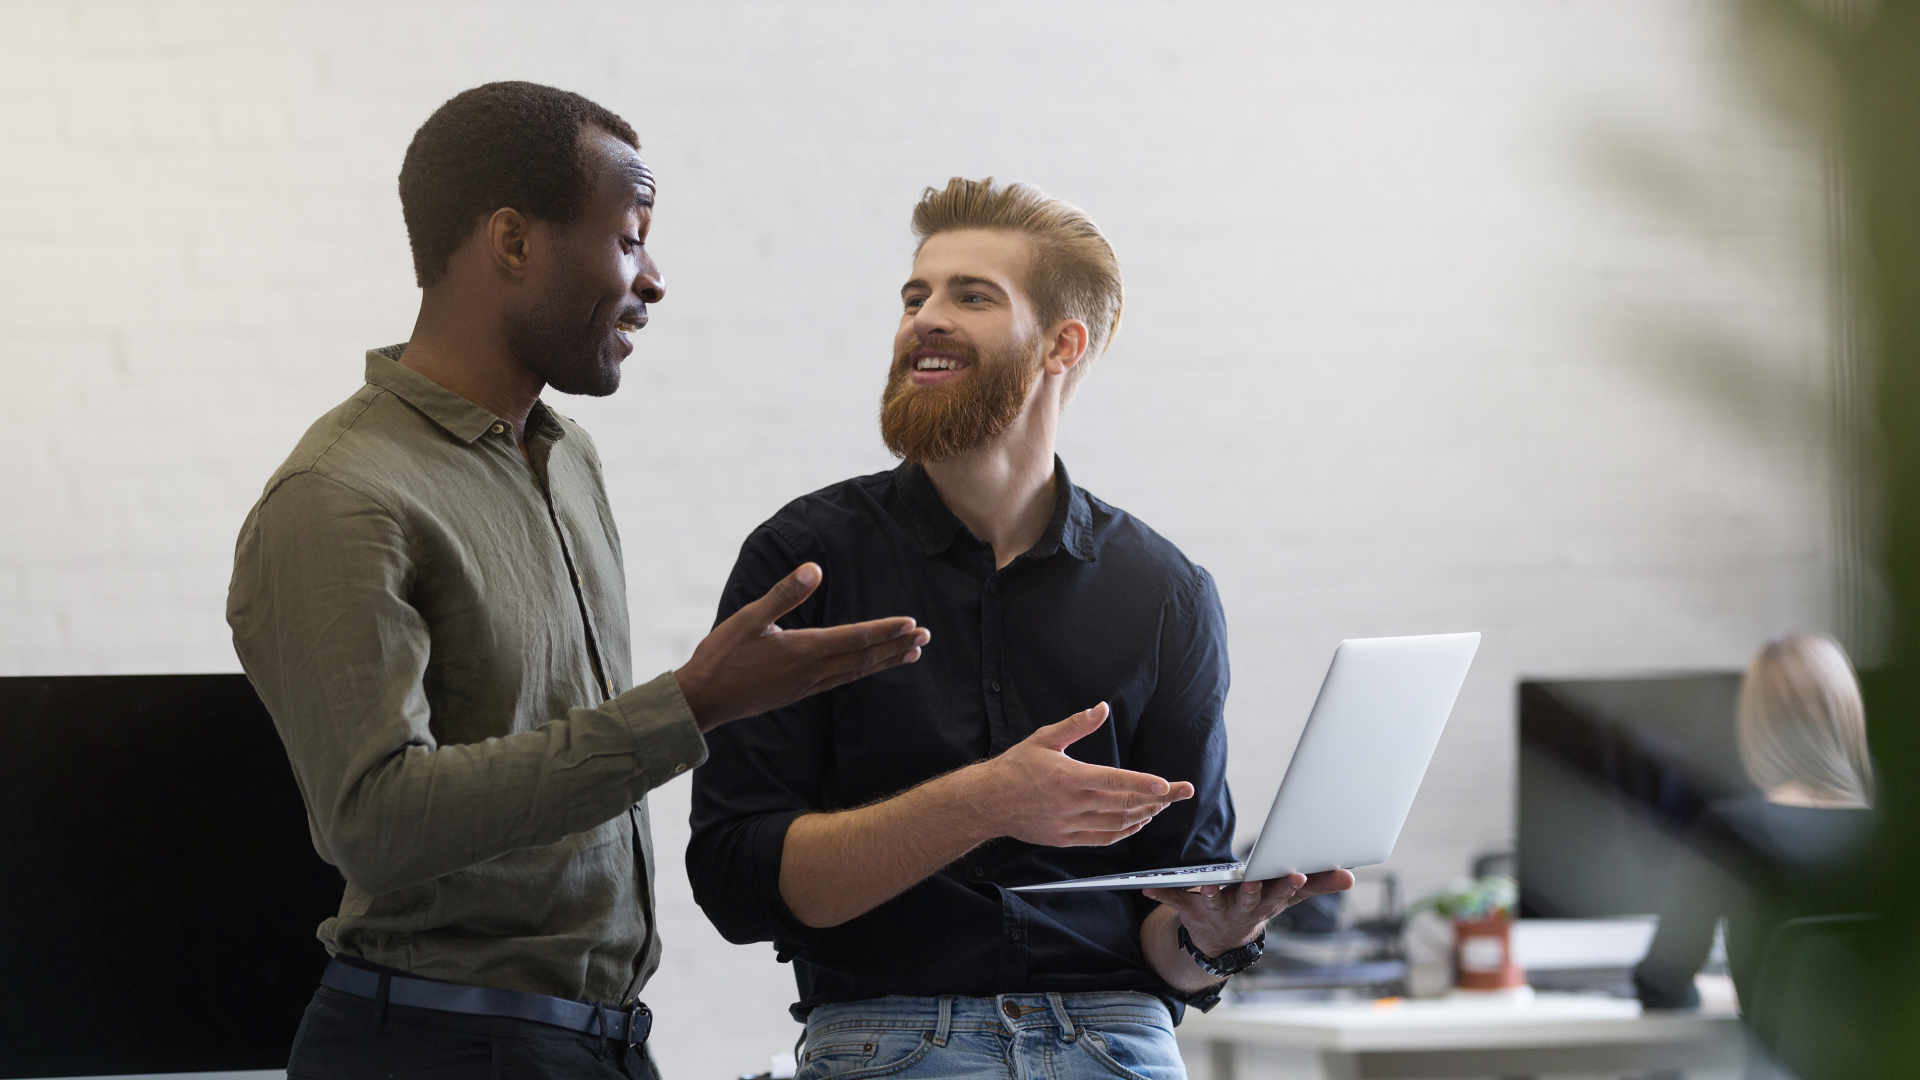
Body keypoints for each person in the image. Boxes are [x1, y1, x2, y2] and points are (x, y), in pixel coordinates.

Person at [226, 82, 929, 1080]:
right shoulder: (340, 493)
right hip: (431, 1048)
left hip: (594, 1043)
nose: (653, 280)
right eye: (630, 237)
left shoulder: (568, 458)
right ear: (513, 242)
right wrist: (689, 705)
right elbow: (375, 825)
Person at [687, 178, 1352, 1080]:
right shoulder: (807, 561)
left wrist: (1213, 936)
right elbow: (735, 883)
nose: (925, 317)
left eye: (972, 295)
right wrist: (986, 800)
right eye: (915, 296)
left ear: (1060, 346)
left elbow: (1172, 932)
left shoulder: (1165, 591)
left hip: (1116, 1037)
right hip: (895, 1040)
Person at [1634, 633, 1876, 1012]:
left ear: (1756, 725)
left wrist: (1731, 995)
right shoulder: (1898, 839)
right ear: (1847, 717)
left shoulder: (1732, 828)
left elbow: (1658, 986)